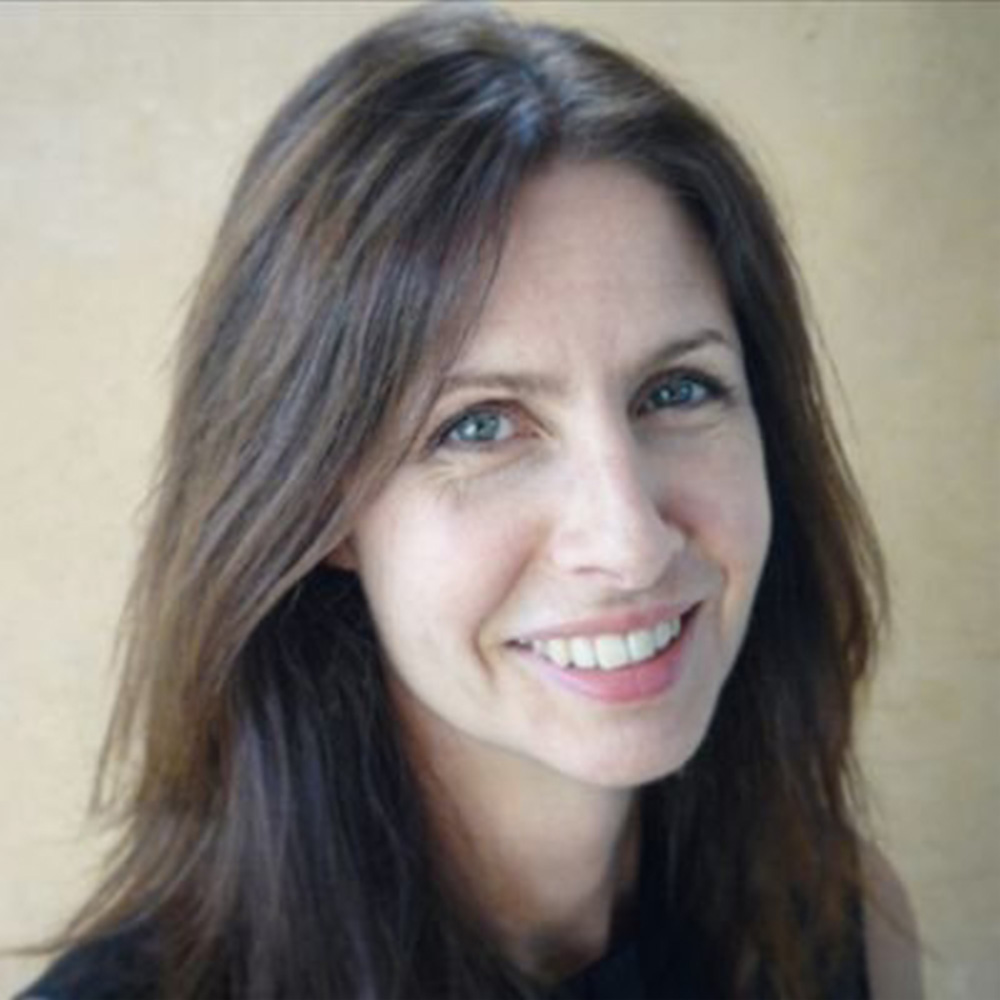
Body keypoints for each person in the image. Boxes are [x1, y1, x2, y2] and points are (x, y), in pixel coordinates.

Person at [18, 4, 923, 999]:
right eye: (481, 425)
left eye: (676, 391)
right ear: (319, 505)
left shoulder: (837, 925)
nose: (628, 540)